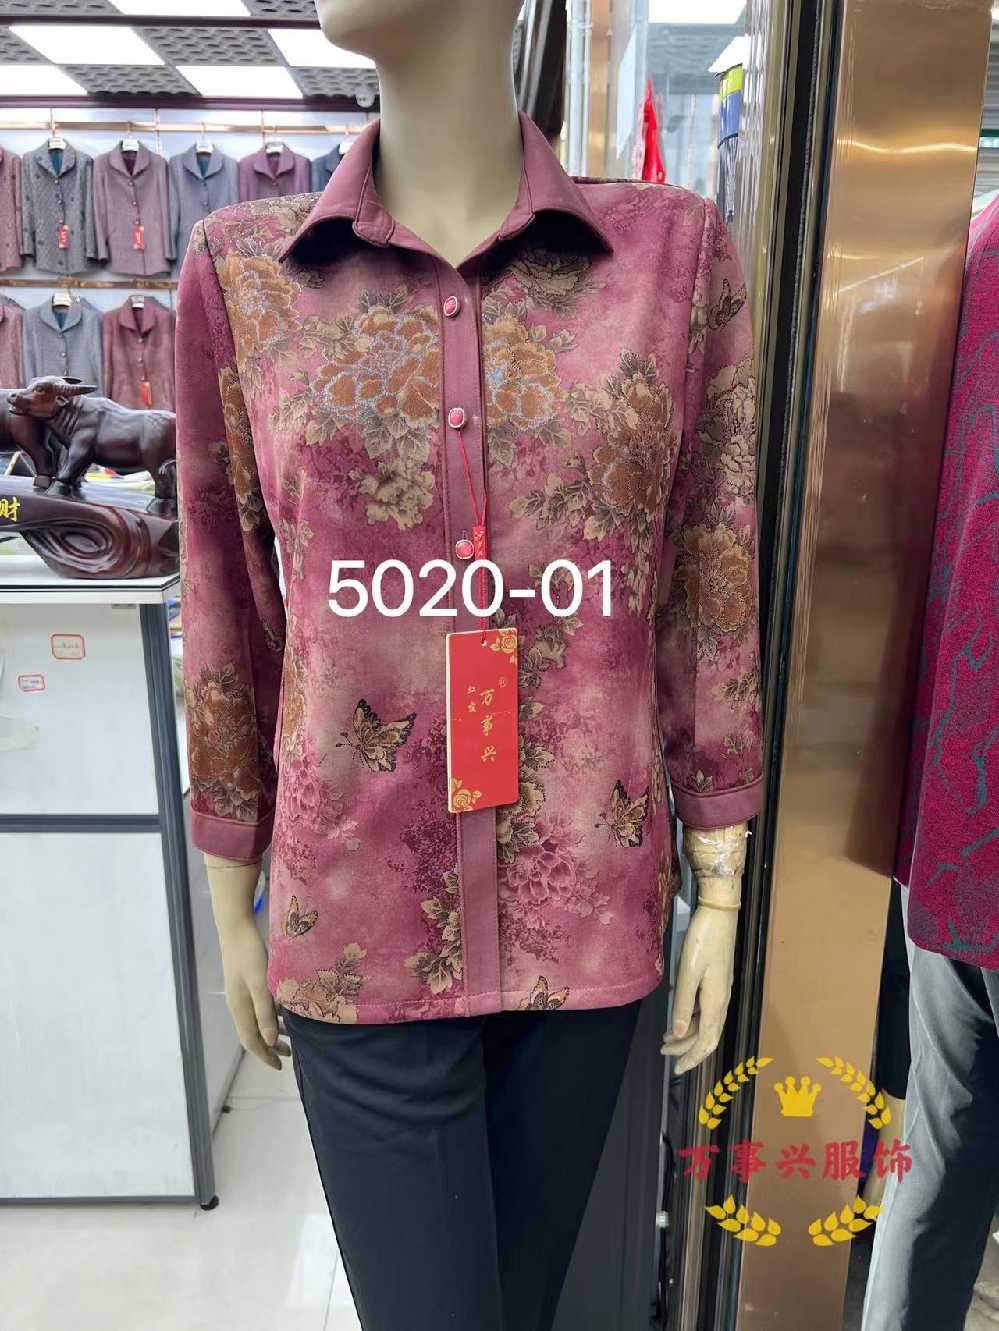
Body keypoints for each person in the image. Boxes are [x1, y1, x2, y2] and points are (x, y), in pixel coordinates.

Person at [173, 2, 764, 1327]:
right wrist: (230, 889)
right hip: (356, 917)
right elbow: (226, 592)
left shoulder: (672, 259)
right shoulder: (244, 272)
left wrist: (720, 874)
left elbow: (709, 575)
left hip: (586, 912)